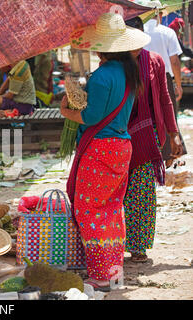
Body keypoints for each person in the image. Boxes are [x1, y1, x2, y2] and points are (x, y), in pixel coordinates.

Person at [62, 13, 151, 291]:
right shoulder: (129, 72)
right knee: (112, 210)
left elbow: (90, 117)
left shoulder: (101, 76)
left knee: (89, 211)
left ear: (101, 46)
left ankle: (100, 276)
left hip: (99, 148)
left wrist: (66, 110)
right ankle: (114, 272)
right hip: (122, 146)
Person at [123, 17, 183, 263]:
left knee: (142, 192)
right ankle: (114, 243)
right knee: (118, 192)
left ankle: (138, 247)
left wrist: (173, 133)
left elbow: (165, 99)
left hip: (148, 137)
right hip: (118, 135)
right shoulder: (116, 64)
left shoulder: (155, 61)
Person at [143, 1, 188, 166]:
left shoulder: (138, 32)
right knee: (169, 116)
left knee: (148, 117)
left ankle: (150, 156)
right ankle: (168, 158)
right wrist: (178, 84)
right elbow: (175, 61)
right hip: (164, 79)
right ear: (159, 14)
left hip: (144, 79)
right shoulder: (167, 32)